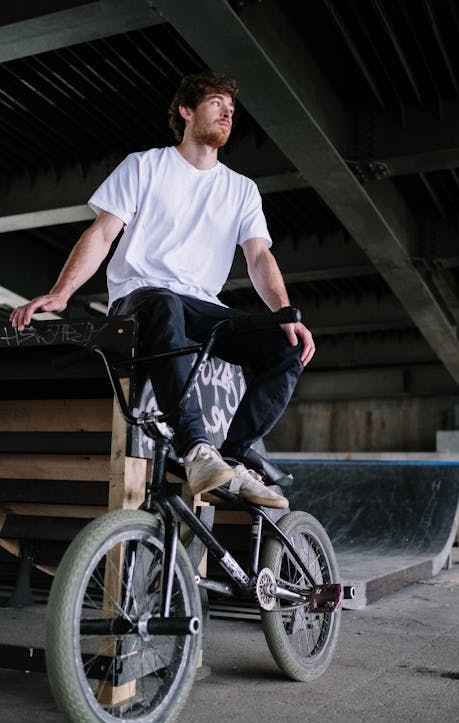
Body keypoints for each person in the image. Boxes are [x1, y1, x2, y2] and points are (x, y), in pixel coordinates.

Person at [10, 71, 315, 509]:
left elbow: (259, 257)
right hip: (142, 298)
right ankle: (197, 449)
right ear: (186, 111)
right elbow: (102, 233)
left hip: (203, 306)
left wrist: (285, 314)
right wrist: (62, 291)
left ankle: (231, 460)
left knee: (284, 347)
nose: (227, 112)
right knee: (165, 303)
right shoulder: (145, 166)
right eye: (216, 103)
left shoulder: (241, 190)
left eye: (231, 108)